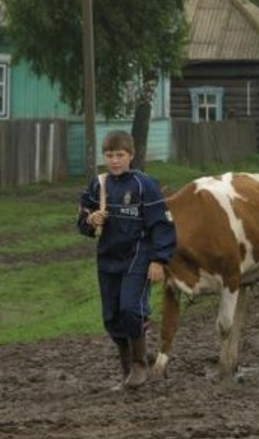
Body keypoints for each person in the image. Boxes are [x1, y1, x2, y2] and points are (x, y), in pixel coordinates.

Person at [76, 130, 177, 389]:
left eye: (120, 155)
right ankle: (129, 369)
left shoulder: (145, 185)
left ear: (131, 156)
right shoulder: (98, 185)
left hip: (138, 255)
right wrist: (90, 221)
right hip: (108, 257)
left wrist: (159, 260)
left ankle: (140, 364)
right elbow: (83, 220)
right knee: (111, 318)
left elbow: (162, 226)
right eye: (109, 155)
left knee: (130, 308)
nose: (115, 161)